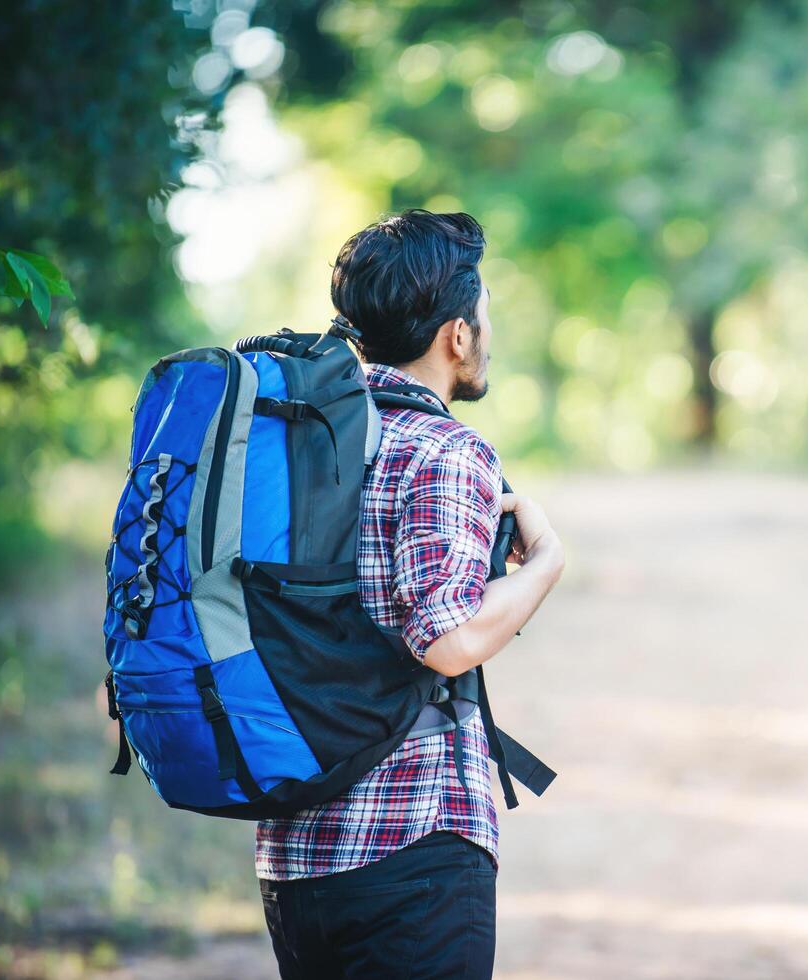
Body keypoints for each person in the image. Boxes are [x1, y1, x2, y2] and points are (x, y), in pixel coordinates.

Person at [255, 209, 565, 979]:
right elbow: (447, 637)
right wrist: (544, 566)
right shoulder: (444, 449)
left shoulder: (296, 439)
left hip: (294, 856)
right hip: (414, 844)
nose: (488, 333)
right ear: (457, 334)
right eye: (484, 315)